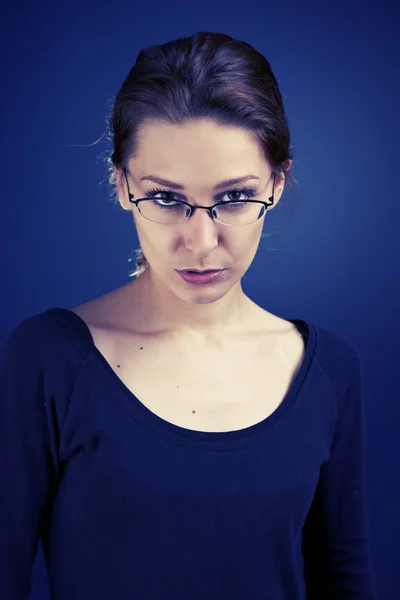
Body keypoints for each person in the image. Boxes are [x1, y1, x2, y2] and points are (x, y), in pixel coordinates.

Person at [0, 31, 377, 599]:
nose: (201, 242)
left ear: (277, 182)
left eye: (233, 197)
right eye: (166, 198)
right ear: (122, 184)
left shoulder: (326, 370)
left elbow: (345, 581)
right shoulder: (49, 360)